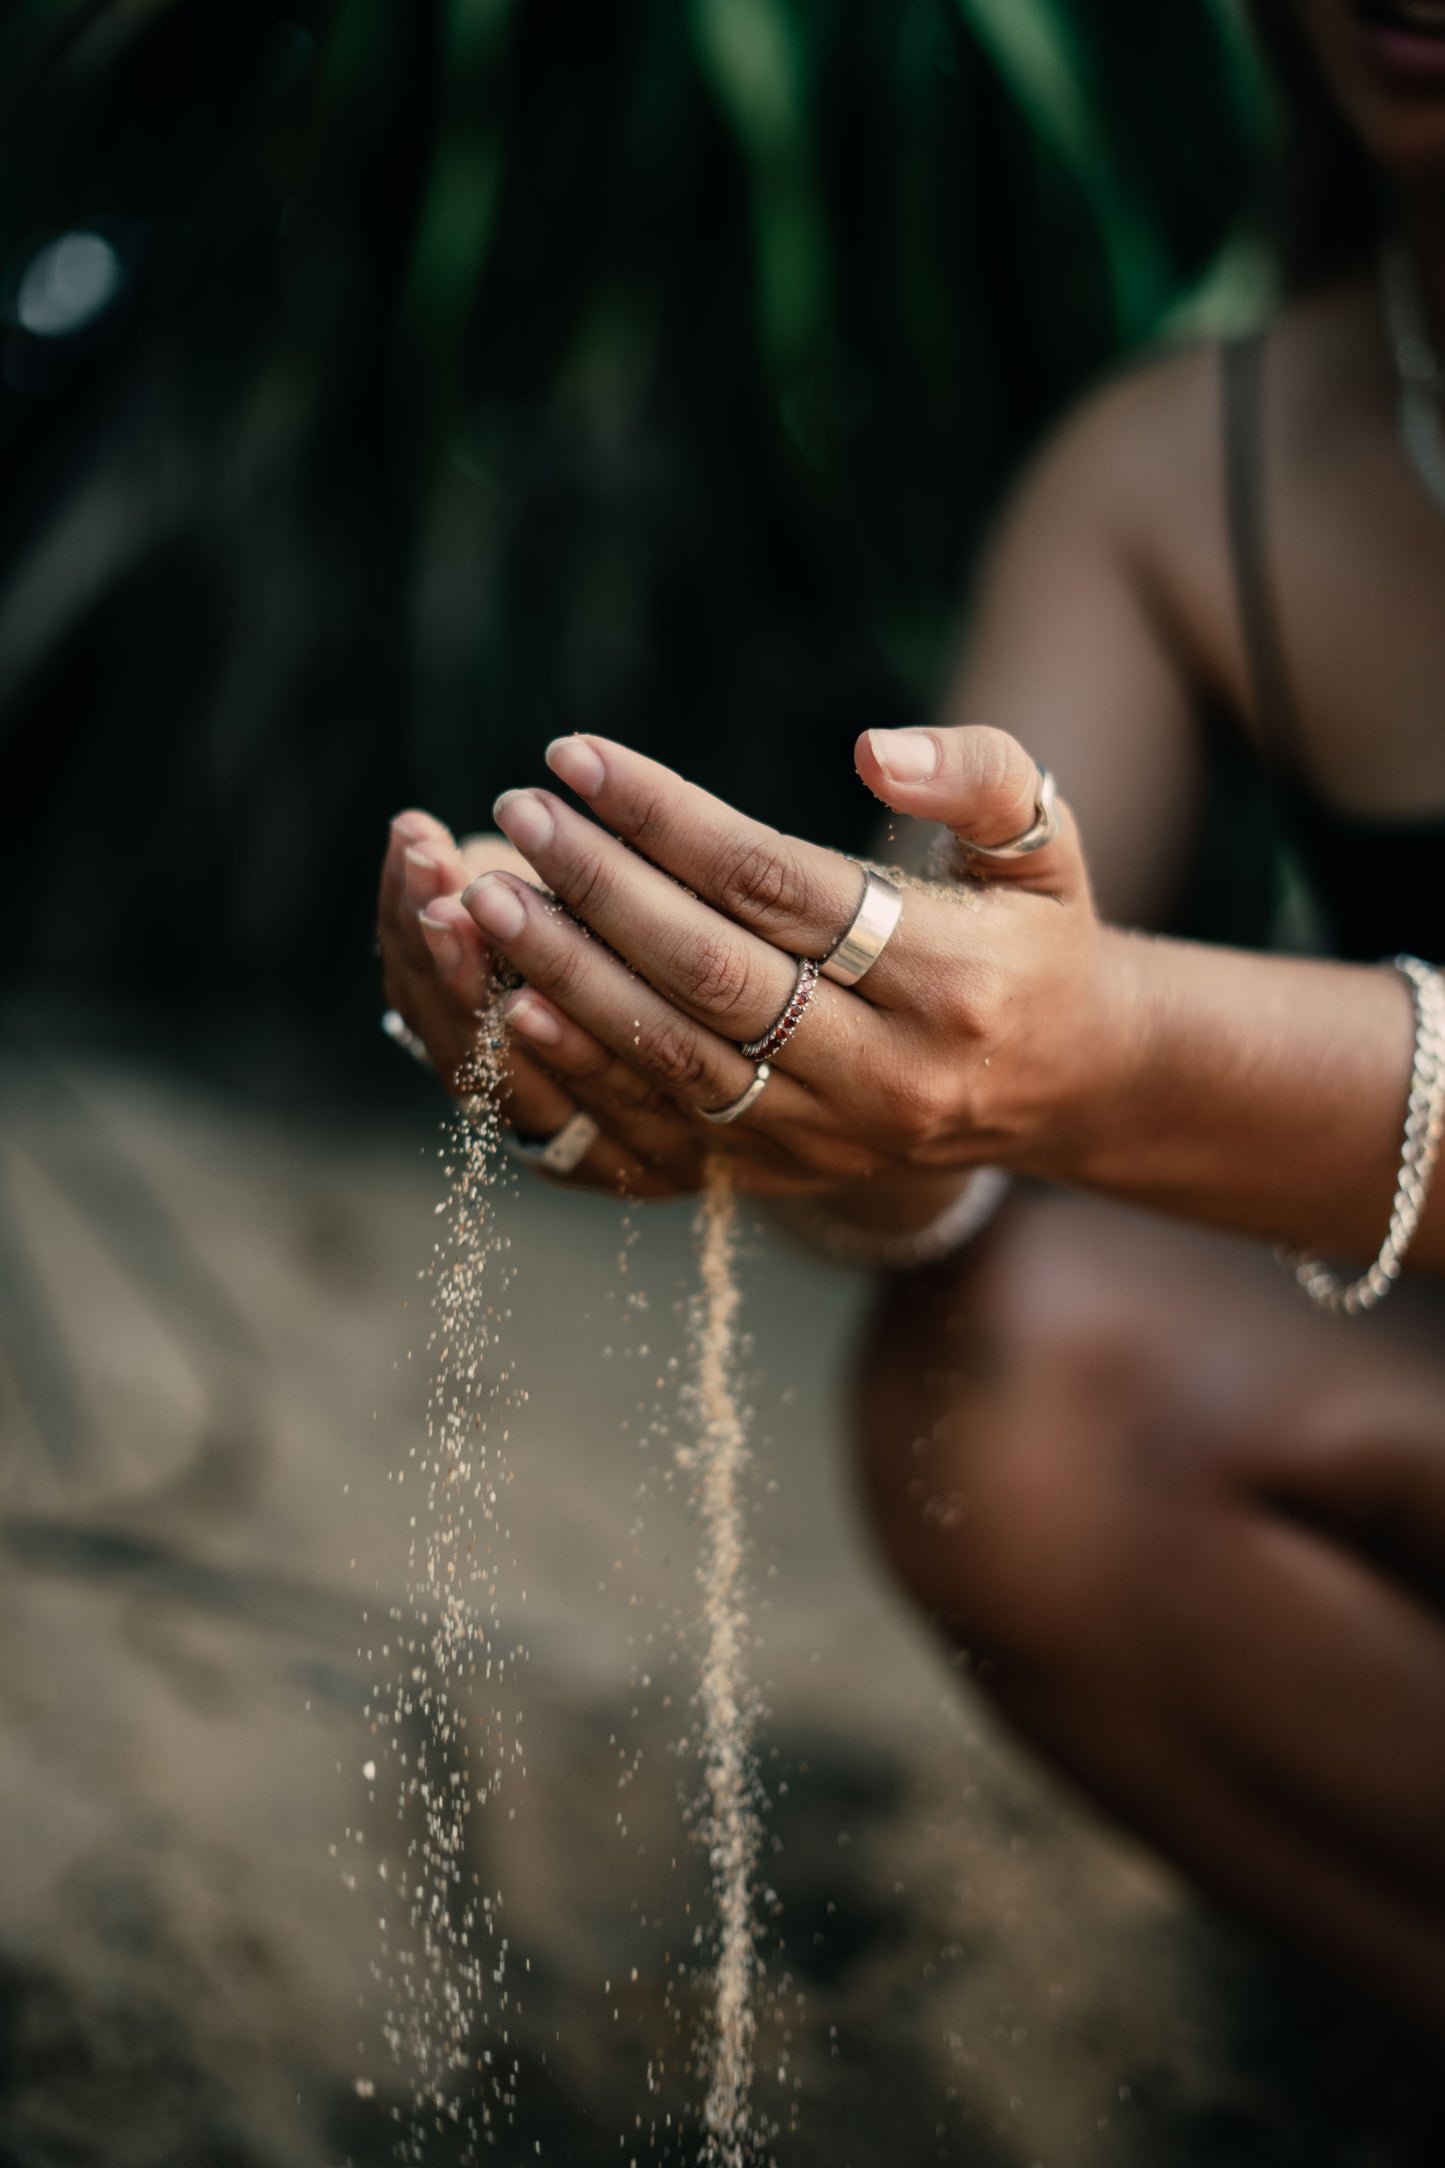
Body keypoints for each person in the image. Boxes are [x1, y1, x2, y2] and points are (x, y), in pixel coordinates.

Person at [377, 0, 1445, 2037]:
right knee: (1018, 1396)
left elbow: (1067, 1039)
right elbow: (941, 1075)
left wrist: (1110, 1046)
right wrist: (746, 1071)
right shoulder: (1174, 482)